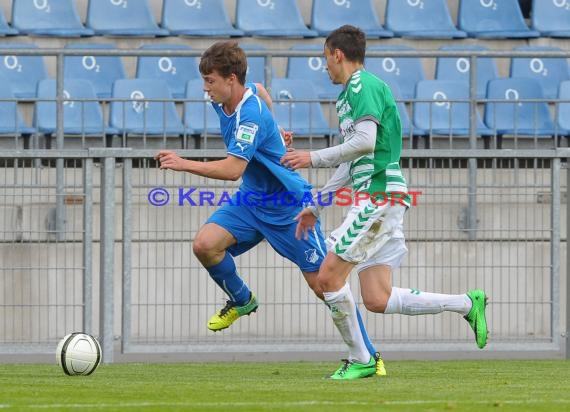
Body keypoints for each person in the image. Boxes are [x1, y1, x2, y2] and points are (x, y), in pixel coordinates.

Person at [155, 41, 385, 378]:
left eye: (210, 81)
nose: (205, 88)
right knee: (205, 244)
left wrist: (181, 163)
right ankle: (242, 299)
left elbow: (233, 169)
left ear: (231, 79)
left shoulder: (249, 114)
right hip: (252, 200)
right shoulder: (233, 98)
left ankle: (369, 354)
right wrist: (274, 131)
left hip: (289, 208)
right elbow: (260, 89)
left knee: (326, 285)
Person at [281, 25, 489, 380]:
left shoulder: (363, 86)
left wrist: (311, 157)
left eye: (325, 59)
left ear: (337, 54)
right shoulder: (347, 97)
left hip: (379, 197)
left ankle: (361, 359)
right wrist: (317, 206)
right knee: (377, 298)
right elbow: (352, 161)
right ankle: (467, 304)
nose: (325, 67)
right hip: (376, 199)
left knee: (328, 278)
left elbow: (364, 141)